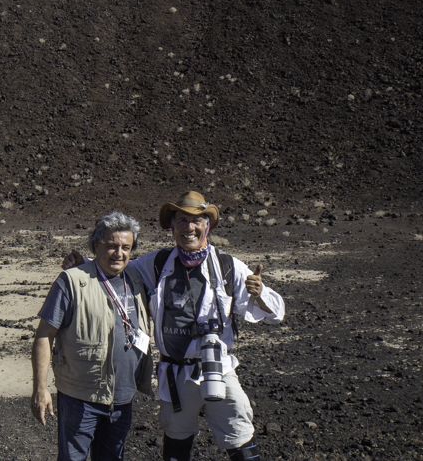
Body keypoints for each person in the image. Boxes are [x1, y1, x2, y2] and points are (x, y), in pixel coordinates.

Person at [62, 191, 285, 461]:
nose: (189, 227)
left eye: (196, 221)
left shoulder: (228, 267)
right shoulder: (157, 263)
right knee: (177, 441)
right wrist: (83, 265)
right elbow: (118, 267)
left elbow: (276, 314)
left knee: (239, 437)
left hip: (219, 369)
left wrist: (259, 294)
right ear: (172, 226)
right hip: (175, 376)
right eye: (181, 220)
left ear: (207, 226)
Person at [31, 210, 154, 461]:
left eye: (126, 247)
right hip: (81, 398)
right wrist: (40, 388)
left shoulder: (136, 279)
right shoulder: (72, 281)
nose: (118, 253)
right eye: (111, 246)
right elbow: (44, 334)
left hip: (123, 398)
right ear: (95, 245)